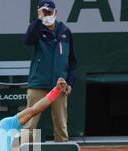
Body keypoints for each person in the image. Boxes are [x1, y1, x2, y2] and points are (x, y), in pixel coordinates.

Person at [23, 0, 77, 142]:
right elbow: (28, 40)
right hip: (38, 84)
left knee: (61, 125)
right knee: (29, 123)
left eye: (49, 12)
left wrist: (69, 83)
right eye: (44, 12)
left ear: (56, 13)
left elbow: (72, 61)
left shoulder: (65, 31)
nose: (47, 15)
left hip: (59, 86)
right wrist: (39, 19)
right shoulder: (37, 29)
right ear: (39, 12)